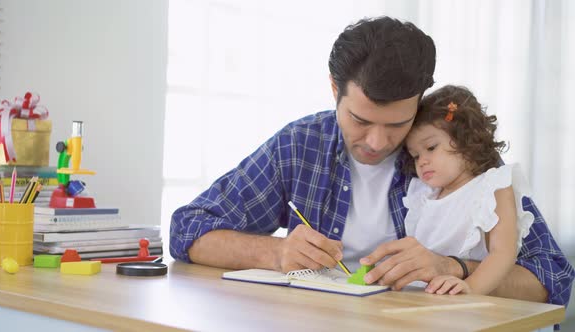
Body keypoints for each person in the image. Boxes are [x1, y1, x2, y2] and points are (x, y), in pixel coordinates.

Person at [170, 17, 573, 307]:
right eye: (359, 121)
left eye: (398, 124)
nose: (377, 142)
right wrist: (274, 254)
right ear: (334, 90)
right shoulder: (300, 146)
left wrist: (451, 268)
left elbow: (551, 278)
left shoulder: (456, 152)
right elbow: (189, 228)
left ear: (419, 99)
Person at [400, 85, 531, 295]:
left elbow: (502, 254)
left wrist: (470, 288)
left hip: (469, 305)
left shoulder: (493, 186)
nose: (422, 161)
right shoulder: (423, 194)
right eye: (415, 155)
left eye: (431, 147)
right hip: (423, 304)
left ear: (466, 140)